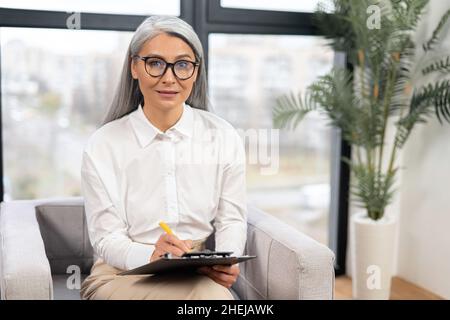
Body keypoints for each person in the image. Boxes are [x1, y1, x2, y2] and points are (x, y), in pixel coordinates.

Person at [79, 15, 247, 300]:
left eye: (182, 65)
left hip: (196, 272)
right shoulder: (103, 145)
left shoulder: (223, 136)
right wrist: (151, 254)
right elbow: (107, 238)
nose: (169, 78)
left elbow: (232, 219)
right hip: (122, 274)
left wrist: (226, 259)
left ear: (195, 72)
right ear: (134, 66)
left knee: (213, 299)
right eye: (155, 63)